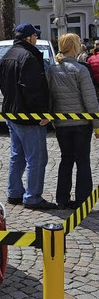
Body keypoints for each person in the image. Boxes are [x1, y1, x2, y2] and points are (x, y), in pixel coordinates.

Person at [0, 23, 55, 209]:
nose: (36, 39)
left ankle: (14, 193)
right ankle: (33, 197)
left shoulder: (8, 54)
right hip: (28, 117)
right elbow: (33, 90)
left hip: (12, 114)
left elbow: (2, 81)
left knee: (17, 155)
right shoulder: (28, 57)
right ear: (29, 37)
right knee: (36, 158)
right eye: (35, 36)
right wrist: (42, 114)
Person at [46, 33, 99, 209]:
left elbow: (50, 98)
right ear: (75, 47)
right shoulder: (81, 70)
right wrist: (97, 126)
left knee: (66, 160)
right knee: (83, 161)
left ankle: (62, 198)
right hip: (81, 124)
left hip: (62, 124)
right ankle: (83, 201)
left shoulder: (52, 70)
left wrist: (52, 118)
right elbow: (90, 101)